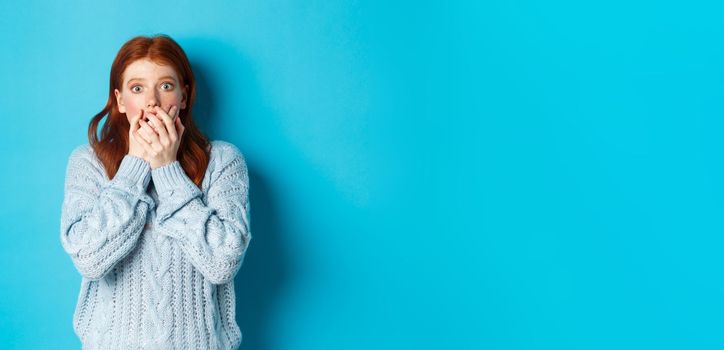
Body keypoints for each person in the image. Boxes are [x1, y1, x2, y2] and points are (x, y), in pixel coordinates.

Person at [59, 34, 252, 350]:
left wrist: (167, 171)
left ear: (184, 96)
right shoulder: (88, 163)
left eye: (165, 86)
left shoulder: (222, 161)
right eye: (137, 88)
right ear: (121, 101)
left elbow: (223, 263)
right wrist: (134, 166)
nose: (152, 102)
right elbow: (89, 260)